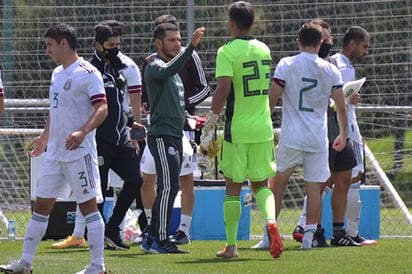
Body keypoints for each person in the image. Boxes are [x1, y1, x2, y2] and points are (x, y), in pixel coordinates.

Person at [0, 23, 108, 274]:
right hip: (55, 155)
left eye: (50, 44)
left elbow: (102, 108)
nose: (46, 49)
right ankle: (25, 264)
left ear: (63, 43)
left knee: (88, 207)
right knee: (41, 206)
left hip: (79, 154)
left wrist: (82, 131)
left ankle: (97, 266)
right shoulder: (57, 73)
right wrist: (45, 138)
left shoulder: (88, 72)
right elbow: (54, 110)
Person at [51, 20, 145, 251]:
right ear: (98, 45)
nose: (115, 49)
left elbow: (122, 105)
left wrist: (133, 127)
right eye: (110, 44)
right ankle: (99, 236)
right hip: (98, 140)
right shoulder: (88, 70)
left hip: (121, 137)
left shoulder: (122, 67)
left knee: (136, 179)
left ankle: (112, 228)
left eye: (118, 44)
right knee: (98, 192)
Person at [200, 1, 282, 259]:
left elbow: (223, 89)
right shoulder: (264, 49)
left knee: (233, 186)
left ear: (231, 23)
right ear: (253, 23)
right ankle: (271, 221)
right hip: (263, 127)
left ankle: (232, 246)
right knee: (261, 183)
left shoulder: (227, 51)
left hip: (238, 129)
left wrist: (211, 120)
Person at [268, 21, 348, 249]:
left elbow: (273, 98)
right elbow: (341, 107)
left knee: (276, 185)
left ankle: (269, 233)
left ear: (298, 41)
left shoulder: (287, 63)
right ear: (321, 42)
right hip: (317, 138)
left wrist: (265, 123)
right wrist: (343, 134)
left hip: (291, 136)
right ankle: (310, 237)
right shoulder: (330, 69)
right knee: (314, 189)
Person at [139, 14, 210, 246]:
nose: (177, 44)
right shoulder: (155, 65)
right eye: (172, 40)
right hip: (160, 136)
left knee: (173, 185)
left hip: (175, 135)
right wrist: (190, 48)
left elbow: (180, 104)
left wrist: (192, 121)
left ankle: (154, 237)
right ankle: (158, 237)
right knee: (167, 186)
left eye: (179, 40)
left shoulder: (173, 72)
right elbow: (168, 70)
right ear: (159, 43)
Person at [289, 19, 359, 248]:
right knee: (319, 182)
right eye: (324, 40)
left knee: (344, 178)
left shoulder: (331, 66)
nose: (327, 43)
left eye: (329, 40)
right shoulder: (302, 65)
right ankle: (312, 229)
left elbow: (339, 102)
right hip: (319, 131)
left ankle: (339, 233)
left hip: (338, 128)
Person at [329, 26, 376, 245]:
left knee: (330, 180)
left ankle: (310, 226)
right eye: (364, 46)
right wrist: (352, 132)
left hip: (339, 128)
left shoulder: (335, 62)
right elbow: (340, 103)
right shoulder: (344, 67)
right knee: (352, 179)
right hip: (345, 129)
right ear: (352, 44)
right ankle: (351, 232)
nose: (366, 50)